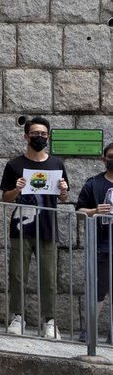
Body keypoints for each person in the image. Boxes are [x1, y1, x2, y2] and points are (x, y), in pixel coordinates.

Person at [0, 116, 69, 340]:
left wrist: (64, 189)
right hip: (21, 228)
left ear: (48, 137)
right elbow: (5, 198)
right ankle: (17, 317)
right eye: (35, 134)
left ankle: (49, 321)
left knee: (49, 277)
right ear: (26, 136)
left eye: (43, 134)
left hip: (48, 229)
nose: (39, 137)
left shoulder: (57, 164)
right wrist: (16, 189)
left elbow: (63, 195)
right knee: (18, 275)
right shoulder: (14, 165)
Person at [74, 143, 113, 345]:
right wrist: (95, 211)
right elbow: (79, 213)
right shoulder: (93, 184)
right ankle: (89, 330)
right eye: (111, 156)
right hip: (102, 247)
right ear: (103, 159)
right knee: (97, 290)